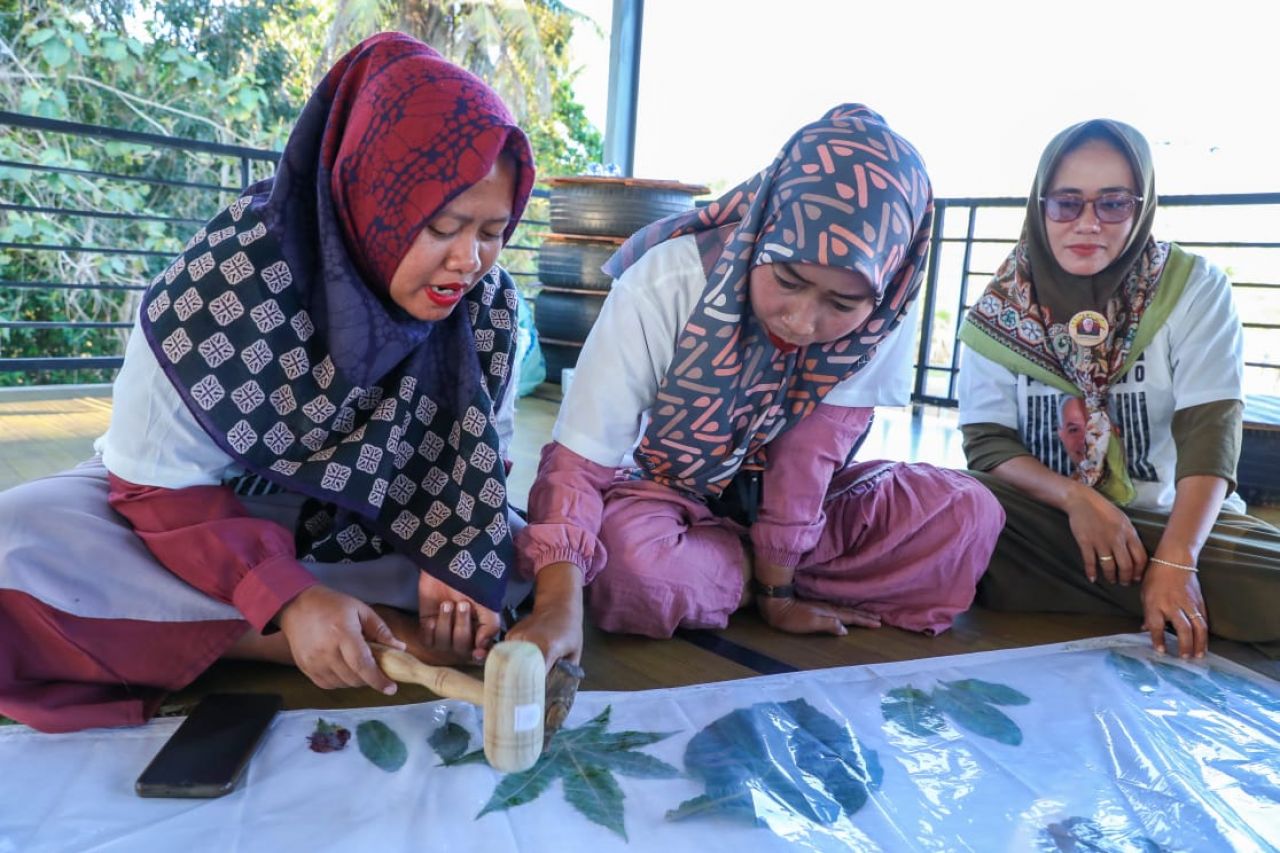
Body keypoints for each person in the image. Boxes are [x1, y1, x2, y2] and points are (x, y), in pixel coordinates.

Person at [0, 33, 555, 732]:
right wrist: (286, 598)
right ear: (373, 195)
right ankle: (294, 637)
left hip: (376, 524)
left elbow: (483, 456)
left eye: (493, 231)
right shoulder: (230, 280)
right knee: (18, 541)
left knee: (516, 558)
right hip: (201, 523)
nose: (468, 261)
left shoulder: (488, 307)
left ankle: (311, 628)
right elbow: (154, 485)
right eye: (443, 226)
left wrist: (454, 546)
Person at [514, 105, 1004, 655]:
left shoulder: (883, 316)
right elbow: (582, 459)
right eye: (789, 279)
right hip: (663, 494)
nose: (801, 321)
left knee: (969, 511)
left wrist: (779, 587)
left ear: (883, 288)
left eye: (841, 303)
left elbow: (809, 460)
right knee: (631, 566)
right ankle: (739, 573)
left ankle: (721, 575)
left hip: (806, 514)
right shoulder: (669, 279)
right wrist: (559, 607)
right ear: (762, 230)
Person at [957, 118, 1280, 661]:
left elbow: (1210, 435)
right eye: (1066, 203)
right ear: (1040, 208)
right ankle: (1163, 596)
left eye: (1113, 203)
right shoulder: (1001, 308)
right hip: (1047, 523)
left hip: (1176, 523)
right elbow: (987, 445)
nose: (1088, 224)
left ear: (1143, 204)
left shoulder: (1192, 288)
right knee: (954, 507)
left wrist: (1177, 560)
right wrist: (1077, 498)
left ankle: (1128, 586)